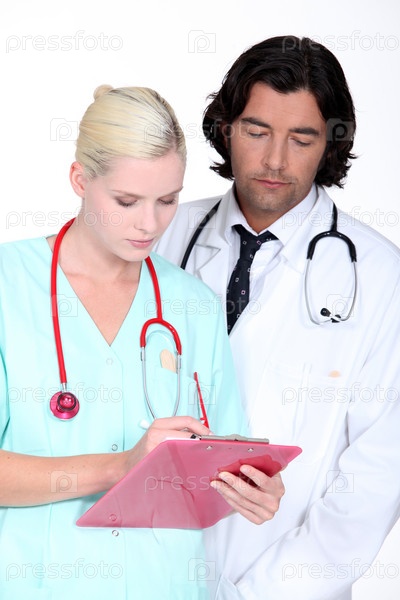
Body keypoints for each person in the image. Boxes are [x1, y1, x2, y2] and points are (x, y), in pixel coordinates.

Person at [0, 85, 284, 600]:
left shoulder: (194, 306)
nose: (150, 224)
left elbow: (222, 458)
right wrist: (119, 466)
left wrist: (253, 487)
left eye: (168, 200)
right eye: (126, 201)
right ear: (79, 179)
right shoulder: (8, 285)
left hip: (165, 583)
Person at [156, 35, 400, 599]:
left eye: (302, 138)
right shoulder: (160, 235)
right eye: (257, 131)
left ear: (330, 144)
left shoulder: (380, 275)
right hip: (149, 572)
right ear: (225, 129)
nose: (275, 160)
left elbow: (375, 478)